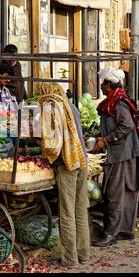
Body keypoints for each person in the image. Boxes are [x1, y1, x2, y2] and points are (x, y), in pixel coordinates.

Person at [92, 68, 139, 247]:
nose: (100, 86)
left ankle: (111, 234)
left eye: (102, 83)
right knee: (122, 193)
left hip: (122, 154)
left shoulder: (119, 102)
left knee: (114, 193)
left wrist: (106, 139)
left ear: (109, 85)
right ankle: (123, 230)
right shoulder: (114, 100)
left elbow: (127, 125)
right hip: (123, 152)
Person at [39, 83, 90, 267]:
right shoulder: (71, 106)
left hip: (67, 164)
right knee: (80, 210)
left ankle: (70, 259)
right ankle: (83, 255)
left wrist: (44, 152)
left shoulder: (50, 107)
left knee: (67, 213)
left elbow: (52, 145)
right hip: (82, 160)